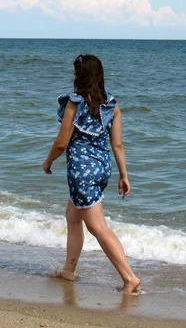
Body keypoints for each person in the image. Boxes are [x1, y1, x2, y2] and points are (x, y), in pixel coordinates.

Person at [42, 54, 141, 294]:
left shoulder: (74, 103)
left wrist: (47, 162)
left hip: (82, 173)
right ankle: (68, 270)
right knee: (73, 216)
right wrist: (123, 175)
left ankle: (130, 278)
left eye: (76, 71)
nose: (73, 75)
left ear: (81, 76)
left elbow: (61, 143)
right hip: (102, 169)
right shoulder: (112, 105)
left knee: (98, 228)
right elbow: (117, 145)